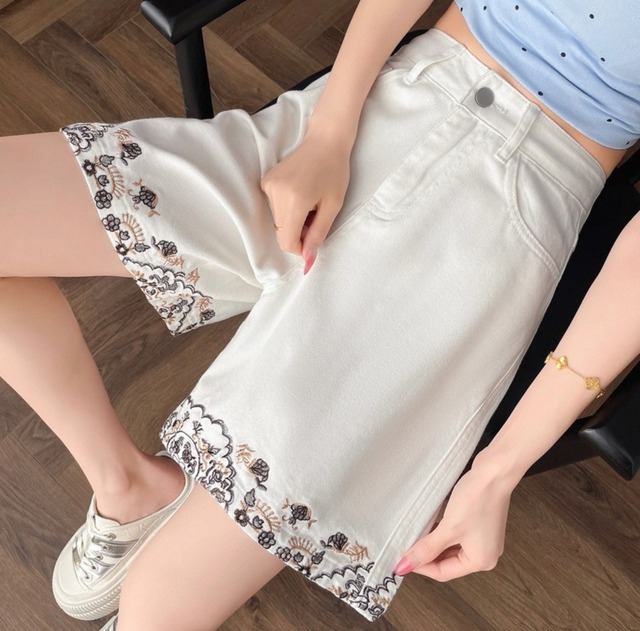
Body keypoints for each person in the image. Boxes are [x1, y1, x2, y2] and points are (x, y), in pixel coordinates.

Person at [1, 0, 638, 629]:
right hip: (393, 92)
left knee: (158, 608)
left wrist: (497, 470)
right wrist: (330, 131)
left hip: (505, 214)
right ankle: (126, 485)